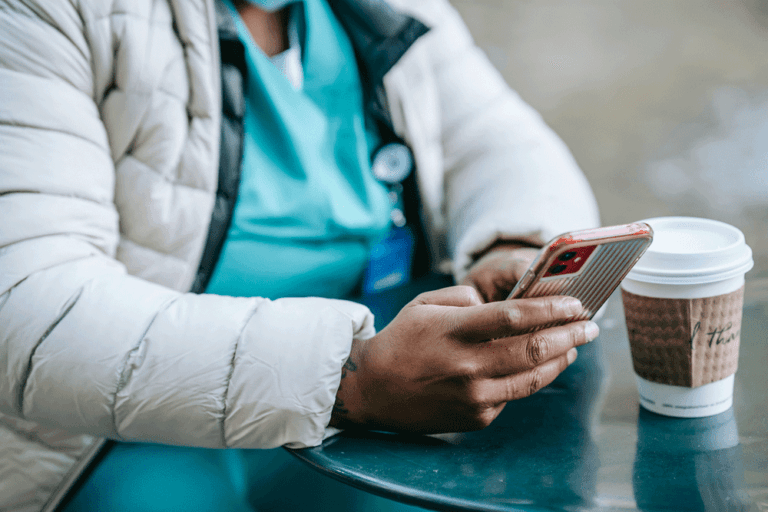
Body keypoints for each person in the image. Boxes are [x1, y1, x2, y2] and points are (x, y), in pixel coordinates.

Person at [0, 0, 601, 510]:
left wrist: (510, 248)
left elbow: (497, 140)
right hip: (125, 426)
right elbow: (27, 305)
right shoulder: (44, 15)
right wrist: (349, 377)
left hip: (388, 399)